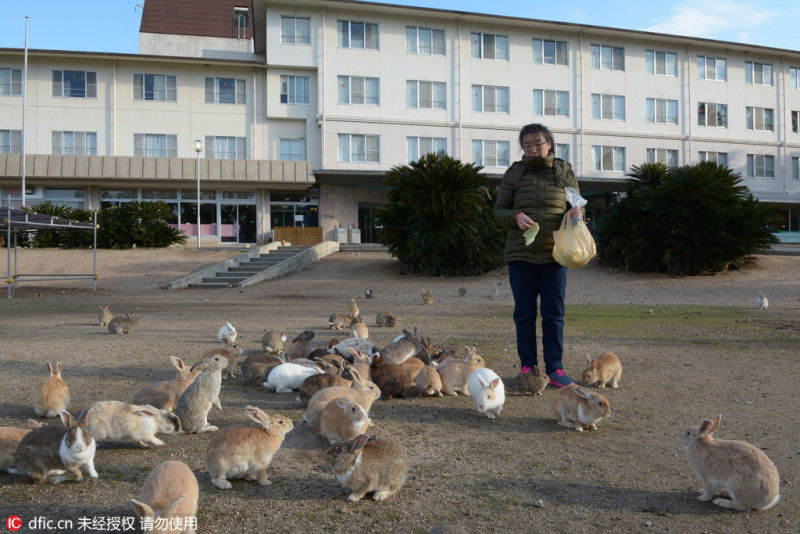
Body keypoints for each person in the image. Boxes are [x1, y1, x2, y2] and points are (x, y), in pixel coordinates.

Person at [493, 123, 583, 388]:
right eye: (527, 145)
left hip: (555, 254)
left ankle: (556, 369)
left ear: (549, 144)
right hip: (521, 254)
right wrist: (515, 216)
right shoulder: (515, 173)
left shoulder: (563, 171)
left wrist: (577, 215)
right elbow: (498, 211)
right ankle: (528, 367)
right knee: (524, 313)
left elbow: (577, 206)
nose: (533, 149)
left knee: (554, 313)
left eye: (538, 143)